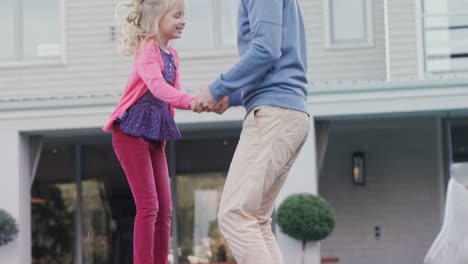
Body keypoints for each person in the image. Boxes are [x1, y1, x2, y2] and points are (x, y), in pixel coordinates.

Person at [193, 0, 310, 263]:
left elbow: (266, 50)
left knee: (234, 215)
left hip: (273, 114)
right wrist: (231, 96)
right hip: (288, 112)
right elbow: (276, 57)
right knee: (256, 221)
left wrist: (217, 88)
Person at [102, 0, 195, 263]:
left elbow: (171, 98)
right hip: (130, 134)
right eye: (177, 15)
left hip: (154, 137)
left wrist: (202, 104)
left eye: (183, 15)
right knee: (148, 206)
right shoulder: (147, 50)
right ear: (157, 18)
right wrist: (191, 100)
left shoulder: (172, 55)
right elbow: (158, 87)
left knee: (165, 208)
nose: (183, 21)